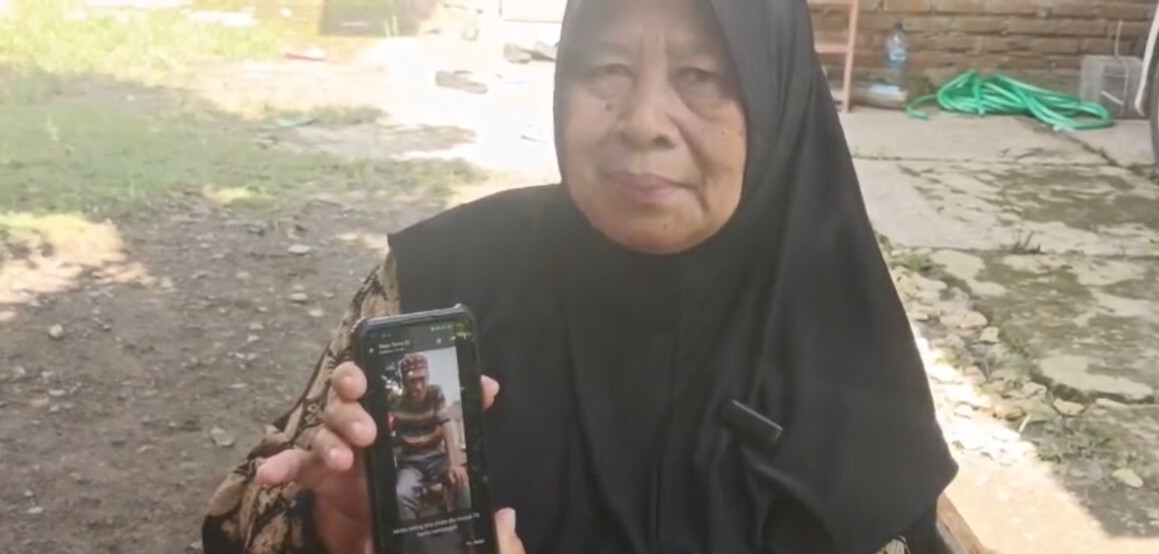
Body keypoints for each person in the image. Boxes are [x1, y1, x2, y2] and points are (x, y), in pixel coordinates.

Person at [202, 0, 957, 552]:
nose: (643, 121)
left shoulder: (841, 349)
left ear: (777, 95)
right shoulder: (442, 277)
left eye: (700, 74)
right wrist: (336, 528)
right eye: (607, 69)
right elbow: (244, 519)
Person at [388, 353, 471, 521]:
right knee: (401, 495)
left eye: (422, 379)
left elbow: (446, 425)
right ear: (404, 382)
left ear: (428, 377)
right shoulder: (395, 401)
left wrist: (455, 464)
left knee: (462, 482)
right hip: (410, 464)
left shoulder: (435, 393)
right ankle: (414, 536)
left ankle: (468, 531)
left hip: (437, 457)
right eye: (412, 381)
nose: (418, 386)